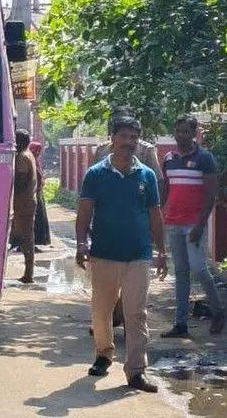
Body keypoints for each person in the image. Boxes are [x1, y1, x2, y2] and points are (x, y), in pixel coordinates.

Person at [75, 115, 168, 393]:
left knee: (136, 313)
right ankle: (104, 353)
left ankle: (136, 371)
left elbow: (155, 216)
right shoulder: (95, 175)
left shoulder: (147, 176)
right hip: (104, 253)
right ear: (112, 139)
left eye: (133, 138)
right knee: (101, 311)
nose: (129, 143)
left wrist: (161, 251)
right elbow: (84, 215)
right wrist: (81, 244)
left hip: (138, 255)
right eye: (124, 137)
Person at [90, 107, 166, 332]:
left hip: (137, 223)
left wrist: (155, 218)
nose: (127, 140)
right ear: (113, 133)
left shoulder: (145, 151)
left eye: (132, 135)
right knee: (106, 283)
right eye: (121, 133)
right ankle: (105, 322)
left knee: (133, 282)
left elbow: (157, 183)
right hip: (107, 224)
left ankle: (125, 318)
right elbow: (92, 185)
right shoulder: (101, 150)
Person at [161, 114, 226, 337]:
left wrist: (200, 224)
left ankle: (218, 311)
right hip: (173, 223)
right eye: (178, 131)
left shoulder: (204, 159)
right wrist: (162, 216)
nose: (181, 135)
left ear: (194, 133)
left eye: (186, 131)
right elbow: (167, 191)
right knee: (180, 273)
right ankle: (180, 324)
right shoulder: (169, 158)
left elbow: (211, 195)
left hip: (194, 224)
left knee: (199, 268)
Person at [10, 129, 38, 283]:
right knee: (26, 238)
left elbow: (19, 182)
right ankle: (28, 272)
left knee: (25, 238)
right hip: (27, 203)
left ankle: (29, 274)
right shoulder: (29, 155)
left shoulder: (22, 157)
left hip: (22, 205)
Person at [29, 140, 52, 248]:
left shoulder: (35, 162)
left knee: (39, 220)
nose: (38, 153)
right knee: (34, 220)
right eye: (36, 150)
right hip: (32, 195)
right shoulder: (29, 161)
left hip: (38, 194)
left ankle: (35, 243)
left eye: (39, 151)